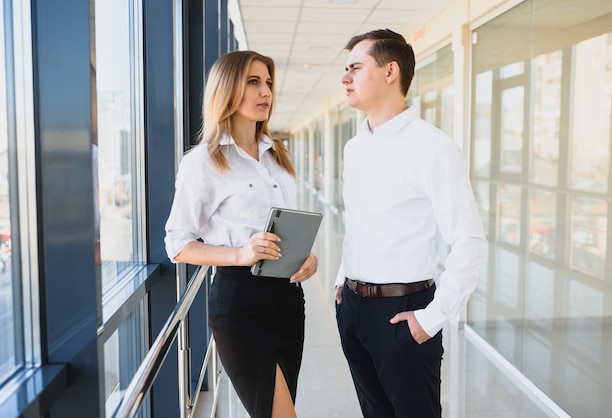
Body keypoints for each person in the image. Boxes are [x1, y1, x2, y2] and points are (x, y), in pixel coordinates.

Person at [334, 29, 487, 417]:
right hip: (353, 309)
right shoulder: (355, 147)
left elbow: (469, 241)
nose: (345, 78)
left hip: (404, 313)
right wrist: (341, 283)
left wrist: (431, 319)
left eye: (355, 67)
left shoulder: (433, 147)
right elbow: (360, 223)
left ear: (391, 72)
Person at [164, 50, 318, 418]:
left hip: (288, 301)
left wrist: (306, 257)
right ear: (227, 89)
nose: (265, 91)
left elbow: (285, 225)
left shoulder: (278, 154)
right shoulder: (202, 161)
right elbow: (178, 244)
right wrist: (240, 254)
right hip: (240, 305)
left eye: (267, 82)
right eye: (253, 82)